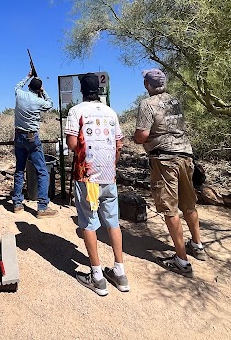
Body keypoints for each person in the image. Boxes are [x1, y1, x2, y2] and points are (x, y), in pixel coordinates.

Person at [133, 68, 207, 277]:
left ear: (147, 85)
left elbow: (142, 135)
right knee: (188, 203)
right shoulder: (175, 100)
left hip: (165, 160)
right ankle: (197, 245)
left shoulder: (147, 104)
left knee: (169, 208)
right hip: (186, 155)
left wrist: (136, 138)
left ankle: (181, 260)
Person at [65, 73, 128, 296]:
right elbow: (119, 144)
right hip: (109, 176)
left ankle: (97, 276)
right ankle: (120, 273)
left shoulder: (76, 111)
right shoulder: (110, 112)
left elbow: (72, 143)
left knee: (88, 223)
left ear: (82, 89)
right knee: (113, 222)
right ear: (99, 90)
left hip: (87, 176)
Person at [12, 73, 58, 218]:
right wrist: (43, 91)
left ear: (29, 86)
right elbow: (50, 104)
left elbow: (17, 86)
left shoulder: (20, 94)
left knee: (20, 169)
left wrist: (27, 76)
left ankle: (17, 203)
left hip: (19, 136)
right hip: (32, 137)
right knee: (42, 171)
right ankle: (42, 207)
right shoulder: (39, 101)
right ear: (38, 90)